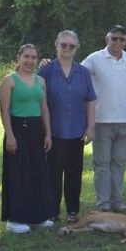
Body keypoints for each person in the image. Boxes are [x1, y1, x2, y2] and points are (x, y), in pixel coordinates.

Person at [37, 30, 96, 222]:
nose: (67, 49)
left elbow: (90, 100)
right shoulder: (45, 71)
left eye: (71, 45)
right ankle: (52, 211)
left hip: (77, 131)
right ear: (56, 46)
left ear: (76, 48)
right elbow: (37, 99)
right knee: (52, 173)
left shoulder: (83, 72)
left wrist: (90, 127)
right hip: (53, 131)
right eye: (64, 45)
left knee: (74, 173)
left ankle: (72, 211)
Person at [0, 44, 54, 233]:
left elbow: (44, 108)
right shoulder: (9, 80)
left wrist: (48, 133)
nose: (30, 61)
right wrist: (10, 136)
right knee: (18, 174)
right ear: (19, 58)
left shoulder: (40, 81)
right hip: (17, 129)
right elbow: (4, 110)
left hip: (36, 129)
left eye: (33, 57)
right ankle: (15, 219)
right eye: (26, 57)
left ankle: (38, 216)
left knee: (38, 173)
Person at [81, 25, 126, 211]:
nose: (118, 42)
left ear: (125, 41)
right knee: (102, 165)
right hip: (102, 121)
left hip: (124, 121)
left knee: (119, 164)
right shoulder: (95, 58)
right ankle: (103, 204)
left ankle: (117, 202)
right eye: (114, 38)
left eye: (122, 39)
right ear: (107, 39)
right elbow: (76, 74)